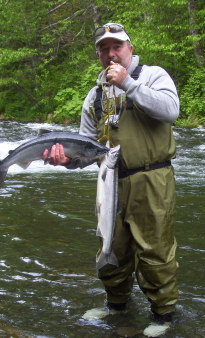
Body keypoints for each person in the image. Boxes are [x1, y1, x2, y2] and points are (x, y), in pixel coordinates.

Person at [43, 22, 179, 326]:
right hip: (109, 180)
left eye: (117, 46)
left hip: (152, 179)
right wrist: (64, 160)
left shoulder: (153, 76)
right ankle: (117, 307)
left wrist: (129, 84)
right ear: (98, 55)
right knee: (110, 246)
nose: (111, 53)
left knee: (155, 252)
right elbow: (85, 152)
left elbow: (171, 110)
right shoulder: (94, 96)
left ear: (130, 48)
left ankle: (164, 315)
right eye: (104, 49)